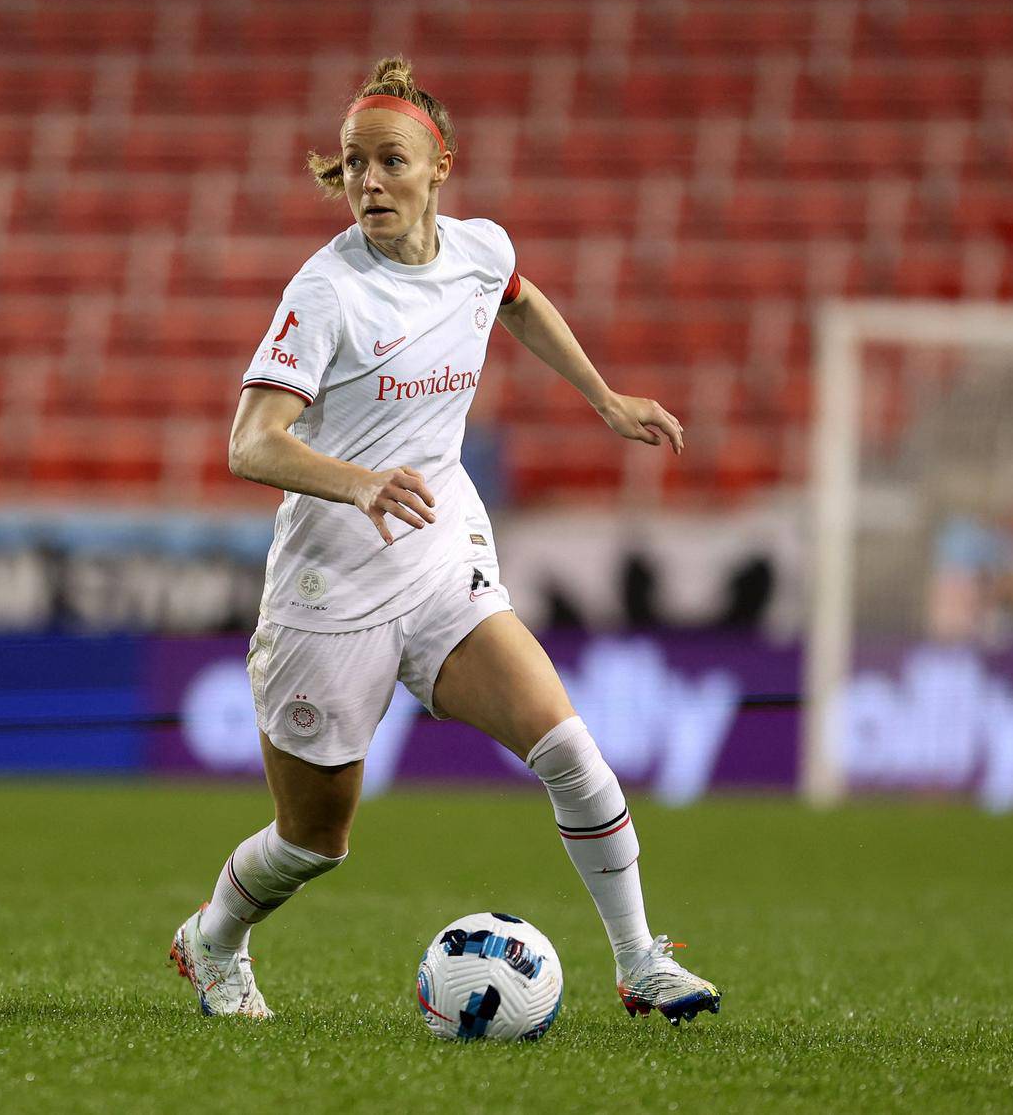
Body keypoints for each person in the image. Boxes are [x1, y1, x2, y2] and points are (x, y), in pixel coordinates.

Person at [168, 57, 719, 1027]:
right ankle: (213, 938)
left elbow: (516, 298)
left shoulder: (477, 249)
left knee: (572, 753)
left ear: (439, 170)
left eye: (388, 162)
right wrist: (361, 482)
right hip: (330, 589)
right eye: (351, 166)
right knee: (312, 845)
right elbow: (250, 442)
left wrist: (603, 398)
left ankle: (639, 962)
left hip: (437, 557)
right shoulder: (327, 292)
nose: (367, 183)